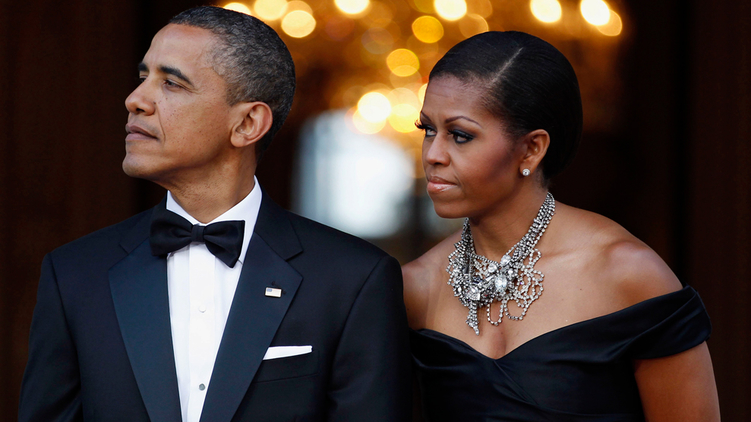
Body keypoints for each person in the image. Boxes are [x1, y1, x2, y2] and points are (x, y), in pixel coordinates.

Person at [19, 6, 411, 422]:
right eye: (142, 77)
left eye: (171, 83)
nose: (135, 100)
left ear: (247, 124)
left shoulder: (352, 280)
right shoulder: (75, 274)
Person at [403, 31, 720, 421]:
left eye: (460, 135)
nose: (433, 155)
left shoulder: (626, 273)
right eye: (428, 130)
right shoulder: (415, 287)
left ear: (531, 149)